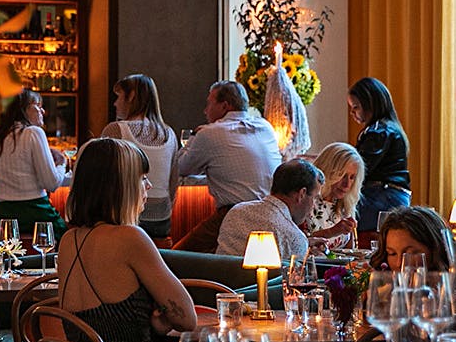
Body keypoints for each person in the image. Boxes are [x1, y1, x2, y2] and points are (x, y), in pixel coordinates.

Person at [58, 138, 197, 342]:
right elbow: (187, 319)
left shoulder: (68, 241)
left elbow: (103, 327)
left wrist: (152, 325)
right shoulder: (130, 238)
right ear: (120, 186)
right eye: (142, 178)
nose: (149, 186)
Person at [173, 80, 281, 252]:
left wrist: (194, 137)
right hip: (271, 214)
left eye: (209, 103)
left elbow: (180, 168)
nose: (205, 110)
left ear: (225, 106)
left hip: (234, 214)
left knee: (178, 257)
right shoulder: (265, 127)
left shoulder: (209, 133)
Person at [101, 74, 177, 239]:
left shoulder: (116, 130)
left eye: (119, 97)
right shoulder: (169, 133)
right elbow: (173, 184)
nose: (115, 103)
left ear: (132, 96)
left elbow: (102, 180)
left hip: (127, 220)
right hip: (162, 222)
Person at [0, 89, 67, 237]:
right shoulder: (33, 133)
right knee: (68, 237)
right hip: (35, 214)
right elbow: (51, 183)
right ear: (23, 109)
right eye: (37, 105)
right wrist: (61, 163)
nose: (42, 110)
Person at [216, 159, 323, 260]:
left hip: (218, 279)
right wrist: (302, 244)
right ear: (302, 194)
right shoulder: (293, 237)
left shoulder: (236, 212)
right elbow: (295, 278)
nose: (313, 205)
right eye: (314, 198)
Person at [348, 77, 411, 231]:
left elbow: (361, 167)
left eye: (355, 107)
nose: (352, 112)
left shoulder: (378, 131)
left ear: (370, 105)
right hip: (394, 196)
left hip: (382, 196)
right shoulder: (390, 128)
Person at [305, 142, 363, 250]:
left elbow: (350, 251)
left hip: (337, 266)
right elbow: (298, 242)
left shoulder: (343, 204)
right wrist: (331, 232)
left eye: (352, 177)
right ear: (327, 171)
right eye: (342, 175)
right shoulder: (306, 201)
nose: (347, 184)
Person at [369, 206, 454, 273]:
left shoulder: (454, 291)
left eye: (409, 254)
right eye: (392, 253)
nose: (399, 263)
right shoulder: (384, 290)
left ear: (435, 249)